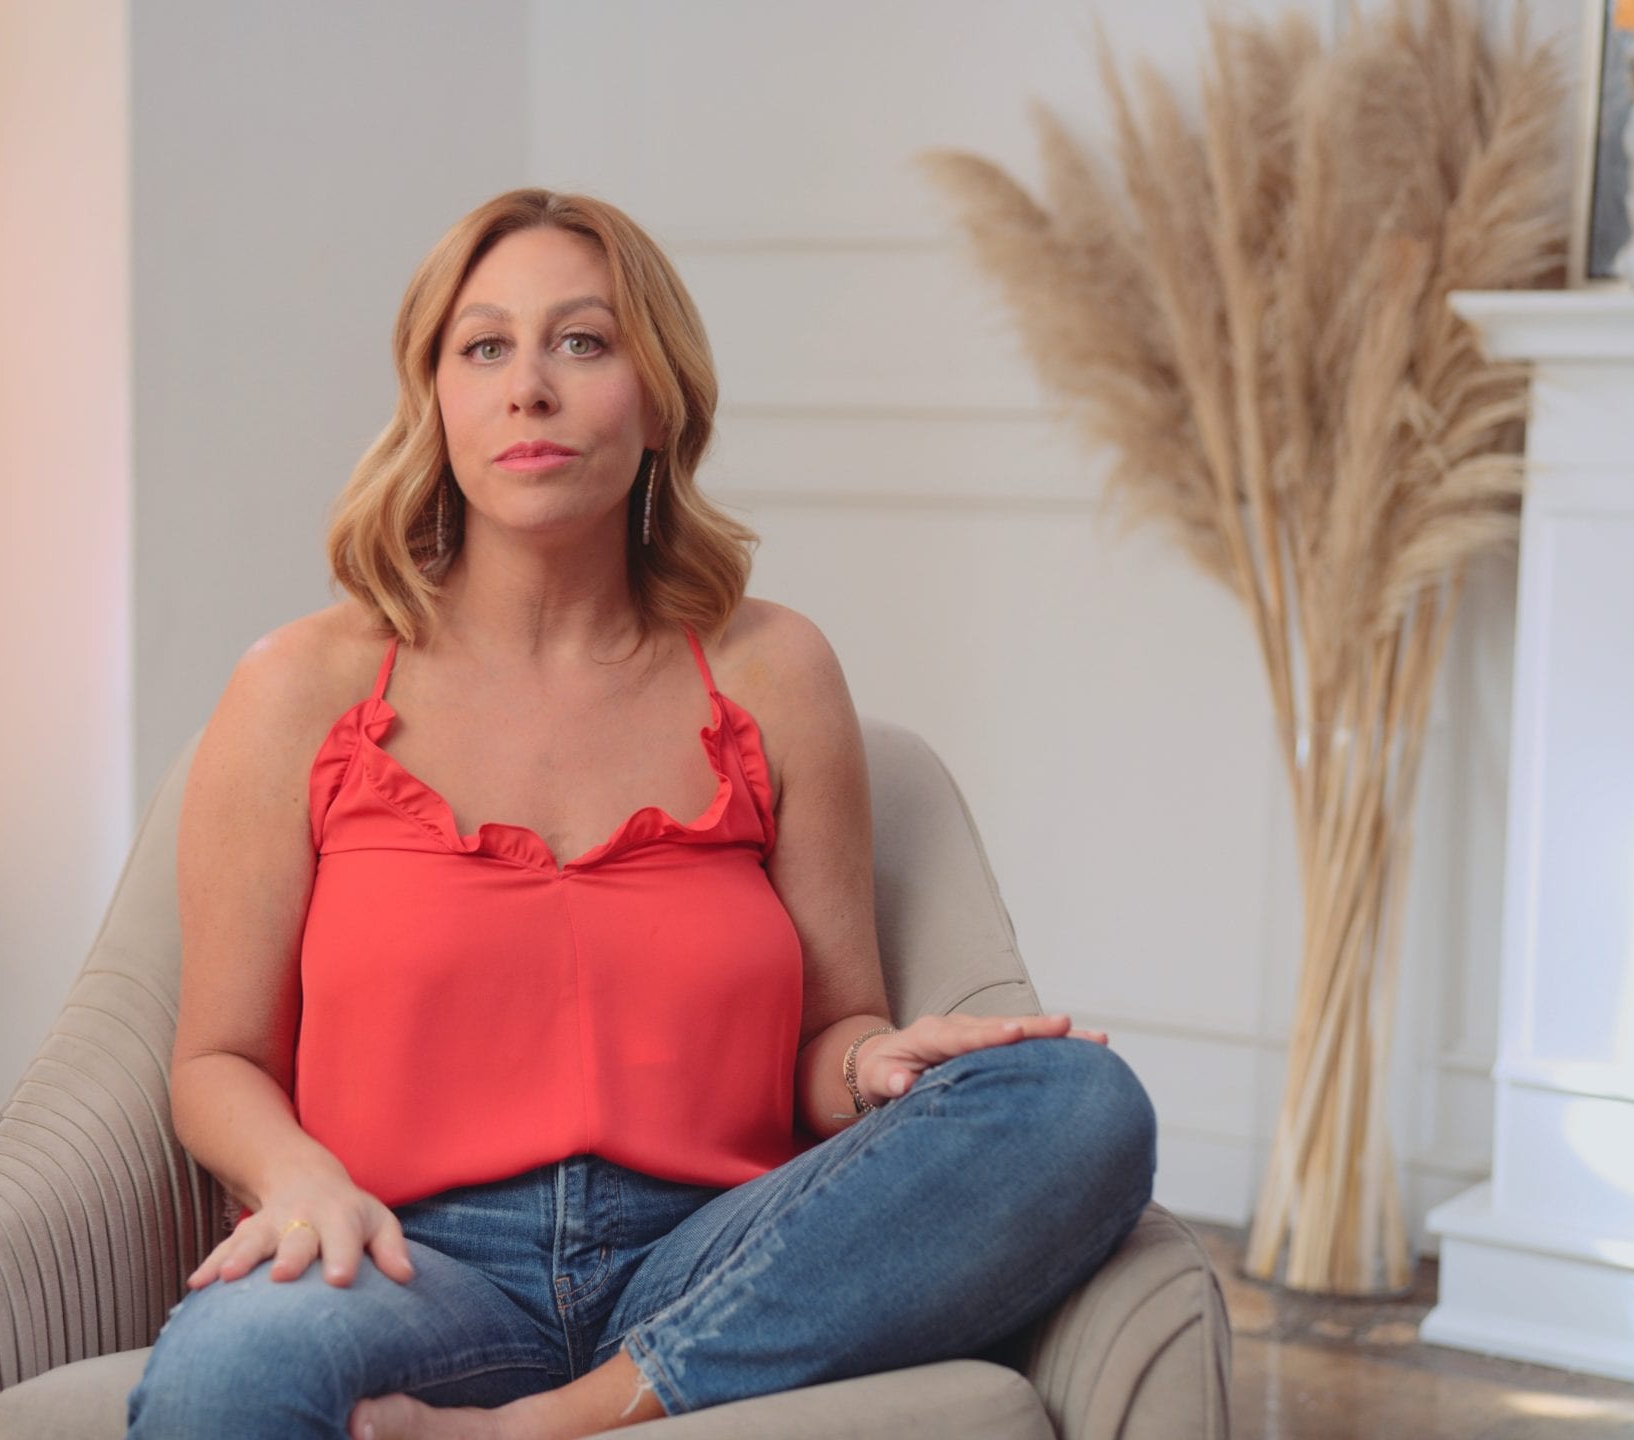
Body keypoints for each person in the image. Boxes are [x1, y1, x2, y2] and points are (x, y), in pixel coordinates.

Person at [124, 188, 1157, 1440]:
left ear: (657, 397)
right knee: (227, 1369)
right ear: (434, 397)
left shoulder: (775, 671)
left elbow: (831, 1030)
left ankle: (557, 1420)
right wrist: (298, 1181)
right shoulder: (299, 686)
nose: (529, 389)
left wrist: (872, 1065)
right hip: (416, 1259)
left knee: (1080, 1104)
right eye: (485, 347)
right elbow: (215, 1061)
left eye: (583, 342)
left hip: (717, 1249)